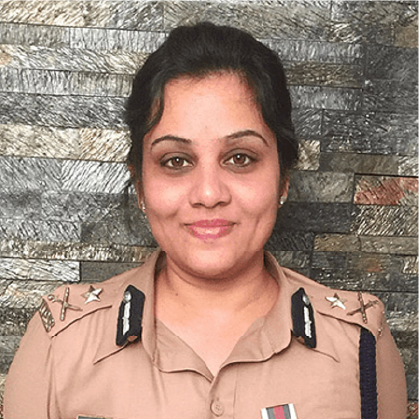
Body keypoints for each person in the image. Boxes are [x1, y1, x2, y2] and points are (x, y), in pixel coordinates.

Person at [4, 22, 406, 419]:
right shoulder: (61, 337)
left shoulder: (359, 341)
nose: (209, 194)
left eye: (240, 158)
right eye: (176, 161)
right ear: (140, 184)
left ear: (283, 178)